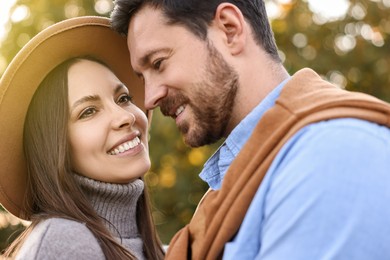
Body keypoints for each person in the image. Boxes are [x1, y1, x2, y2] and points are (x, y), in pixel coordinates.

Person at [110, 1, 390, 259]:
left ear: (230, 29)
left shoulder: (333, 157)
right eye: (142, 78)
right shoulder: (234, 184)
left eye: (158, 63)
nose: (149, 98)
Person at [0, 16, 165, 259]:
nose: (124, 117)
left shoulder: (160, 249)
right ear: (56, 148)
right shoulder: (64, 242)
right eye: (88, 111)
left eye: (123, 99)